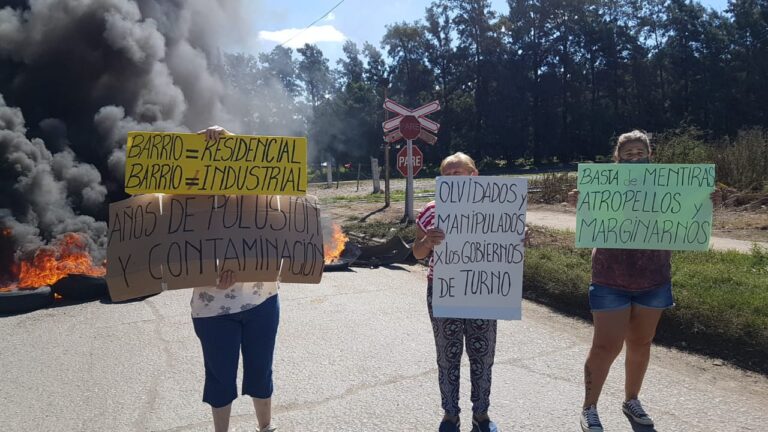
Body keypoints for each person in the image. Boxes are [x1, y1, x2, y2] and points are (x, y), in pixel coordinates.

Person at [567, 130, 721, 432]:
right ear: (618, 158)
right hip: (610, 277)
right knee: (605, 346)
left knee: (640, 343)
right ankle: (589, 407)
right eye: (628, 154)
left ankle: (632, 400)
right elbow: (595, 216)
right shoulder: (603, 186)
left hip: (654, 277)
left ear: (650, 155)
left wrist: (706, 201)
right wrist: (581, 202)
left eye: (640, 152)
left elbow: (685, 217)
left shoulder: (668, 186)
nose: (635, 157)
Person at [413, 152, 528, 432]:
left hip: (483, 292)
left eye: (458, 172)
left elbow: (509, 247)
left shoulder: (498, 205)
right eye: (447, 173)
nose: (453, 177)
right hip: (444, 290)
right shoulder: (431, 209)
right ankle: (450, 415)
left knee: (483, 355)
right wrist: (428, 241)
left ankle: (481, 415)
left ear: (473, 175)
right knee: (447, 355)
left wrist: (519, 236)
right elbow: (416, 253)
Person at [191, 125, 279, 432]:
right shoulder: (192, 199)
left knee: (261, 371)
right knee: (220, 377)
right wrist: (194, 143)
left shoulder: (258, 193)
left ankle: (266, 427)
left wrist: (230, 137)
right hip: (212, 307)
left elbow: (275, 183)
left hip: (261, 300)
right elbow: (162, 196)